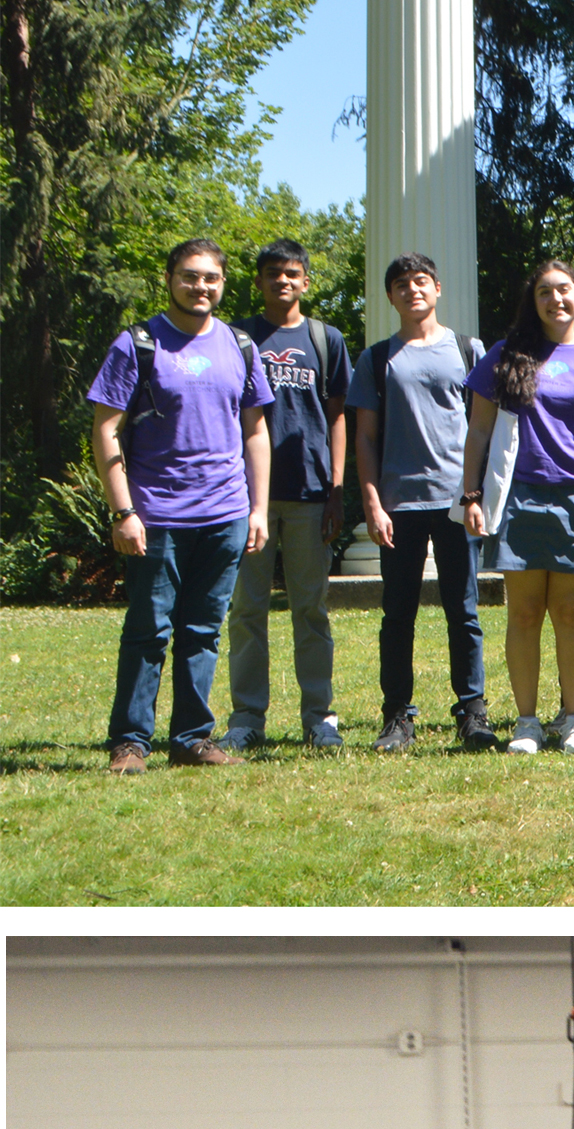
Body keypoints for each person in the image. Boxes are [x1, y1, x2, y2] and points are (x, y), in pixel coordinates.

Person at [88, 237, 273, 773]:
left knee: (203, 630)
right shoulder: (138, 344)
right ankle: (130, 742)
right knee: (149, 628)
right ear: (169, 278)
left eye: (211, 278)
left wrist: (257, 509)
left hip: (226, 515)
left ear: (222, 283)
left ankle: (193, 738)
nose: (201, 286)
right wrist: (123, 511)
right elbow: (105, 427)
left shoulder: (239, 345)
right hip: (157, 516)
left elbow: (256, 431)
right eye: (190, 276)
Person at [461, 259, 574, 755]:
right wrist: (470, 494)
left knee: (570, 610)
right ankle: (527, 722)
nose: (555, 299)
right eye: (544, 291)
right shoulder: (506, 354)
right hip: (517, 498)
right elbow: (477, 432)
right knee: (524, 611)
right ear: (532, 300)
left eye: (563, 290)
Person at [350, 253, 495, 753]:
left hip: (458, 501)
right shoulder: (375, 359)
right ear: (390, 297)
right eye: (401, 285)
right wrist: (372, 501)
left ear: (437, 289)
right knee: (398, 614)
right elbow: (364, 439)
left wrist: (477, 493)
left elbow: (486, 427)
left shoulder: (467, 350)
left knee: (465, 610)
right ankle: (397, 717)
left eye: (421, 282)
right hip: (400, 504)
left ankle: (472, 712)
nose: (412, 291)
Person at [222, 239, 347, 753]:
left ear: (306, 282)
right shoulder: (234, 337)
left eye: (292, 274)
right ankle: (247, 717)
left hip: (311, 492)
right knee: (246, 610)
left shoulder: (325, 338)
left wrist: (338, 488)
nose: (283, 281)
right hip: (243, 497)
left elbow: (340, 414)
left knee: (310, 611)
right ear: (259, 281)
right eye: (273, 273)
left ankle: (319, 718)